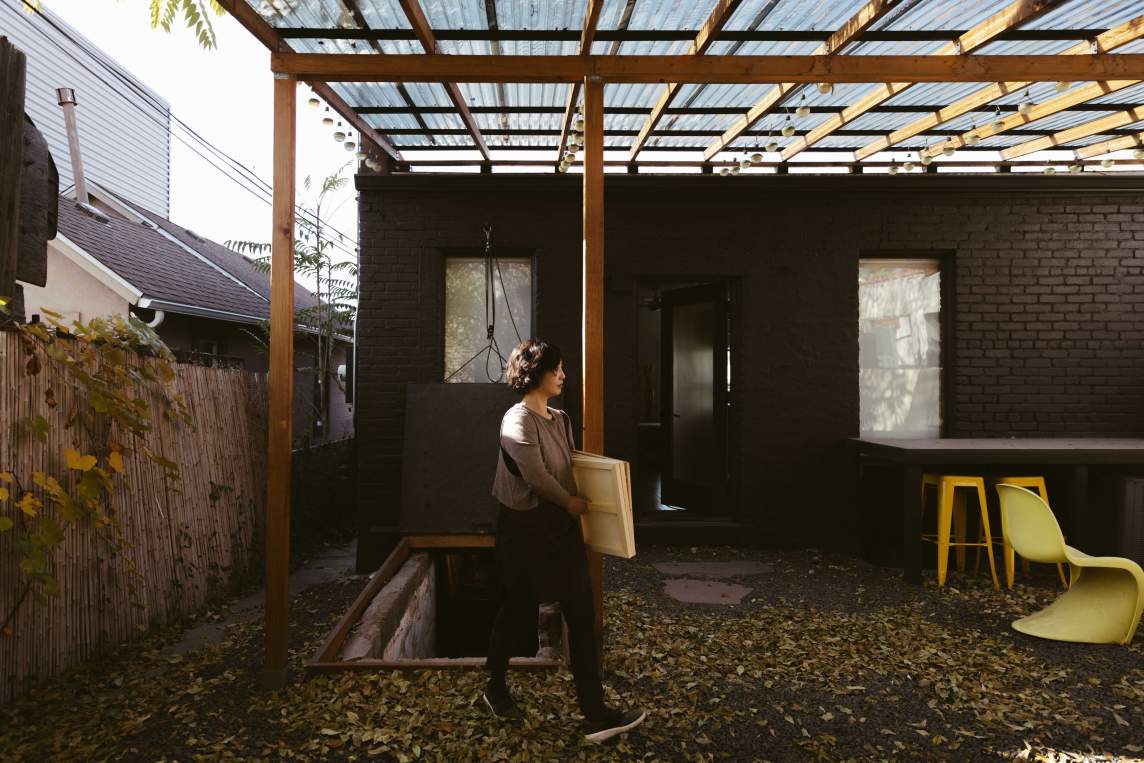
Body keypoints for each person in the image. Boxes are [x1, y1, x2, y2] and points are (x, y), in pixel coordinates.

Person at [484, 338, 646, 744]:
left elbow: (571, 466)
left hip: (560, 528)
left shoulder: (560, 419)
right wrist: (572, 502)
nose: (562, 375)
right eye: (556, 369)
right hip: (524, 530)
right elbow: (537, 477)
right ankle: (495, 689)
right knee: (517, 611)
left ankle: (595, 713)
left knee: (580, 613)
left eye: (561, 369)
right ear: (535, 373)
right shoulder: (516, 421)